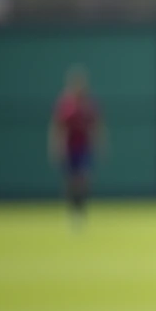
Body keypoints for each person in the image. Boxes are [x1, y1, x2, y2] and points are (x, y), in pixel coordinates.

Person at [48, 65, 105, 225]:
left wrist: (99, 144)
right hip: (69, 148)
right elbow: (57, 127)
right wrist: (56, 147)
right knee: (71, 181)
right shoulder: (66, 104)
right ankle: (72, 210)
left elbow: (96, 126)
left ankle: (82, 209)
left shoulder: (90, 104)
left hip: (84, 147)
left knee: (83, 179)